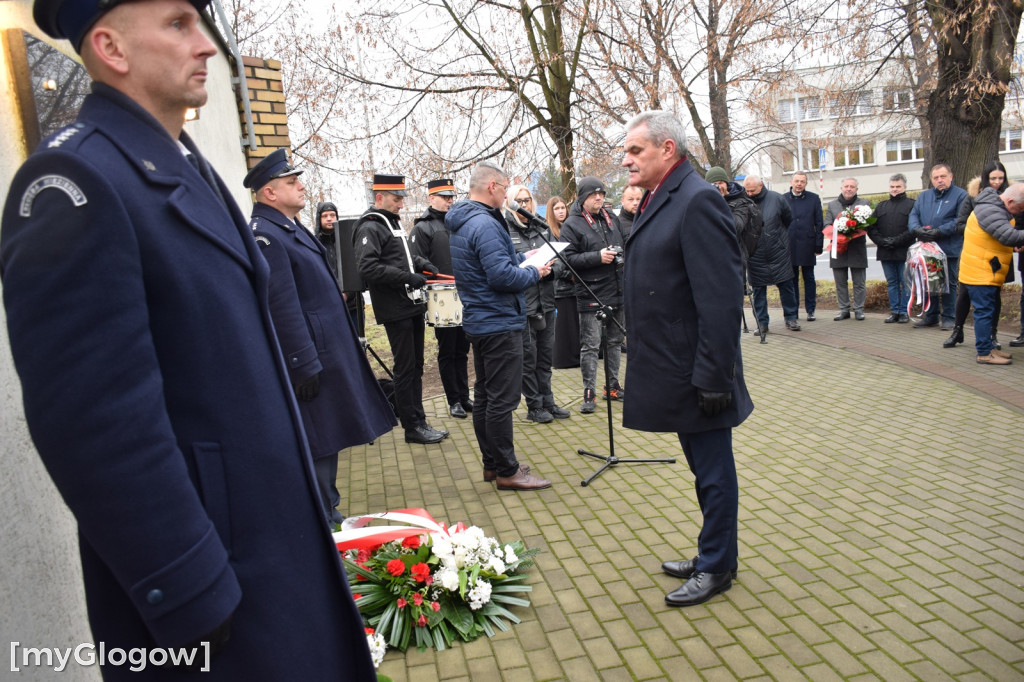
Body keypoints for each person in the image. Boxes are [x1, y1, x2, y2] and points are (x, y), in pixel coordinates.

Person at [0, 0, 377, 678]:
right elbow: (94, 423)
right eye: (178, 23)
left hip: (268, 540)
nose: (206, 44)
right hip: (211, 586)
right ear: (112, 48)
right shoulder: (76, 182)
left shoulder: (179, 164)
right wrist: (192, 593)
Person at [620, 110, 753, 607]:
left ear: (667, 149)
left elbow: (720, 298)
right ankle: (712, 551)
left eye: (636, 150)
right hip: (677, 366)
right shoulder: (663, 195)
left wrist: (715, 376)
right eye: (627, 151)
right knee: (704, 471)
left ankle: (717, 565)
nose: (627, 159)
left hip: (699, 372)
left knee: (715, 472)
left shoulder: (696, 199)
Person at [245, 149, 395, 526]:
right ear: (270, 193)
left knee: (327, 435)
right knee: (318, 439)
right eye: (291, 182)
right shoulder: (267, 235)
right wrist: (302, 362)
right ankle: (322, 519)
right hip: (310, 357)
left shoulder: (288, 227)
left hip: (322, 350)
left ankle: (328, 510)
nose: (301, 185)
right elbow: (282, 305)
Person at [446, 161, 554, 490]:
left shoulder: (465, 220)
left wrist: (524, 258)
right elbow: (501, 277)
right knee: (503, 401)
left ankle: (492, 464)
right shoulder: (486, 223)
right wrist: (535, 272)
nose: (509, 195)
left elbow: (490, 266)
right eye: (506, 188)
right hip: (499, 322)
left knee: (486, 396)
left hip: (482, 321)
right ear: (492, 186)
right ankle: (508, 471)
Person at [354, 174, 446, 445]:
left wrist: (421, 263)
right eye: (396, 199)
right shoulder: (370, 226)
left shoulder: (390, 223)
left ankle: (419, 420)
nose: (401, 205)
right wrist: (408, 277)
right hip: (395, 308)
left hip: (410, 304)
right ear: (379, 197)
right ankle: (412, 426)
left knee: (416, 365)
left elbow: (401, 257)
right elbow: (367, 267)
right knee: (406, 368)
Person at [503, 185, 571, 423]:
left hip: (546, 301)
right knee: (528, 358)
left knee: (545, 356)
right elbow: (505, 268)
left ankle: (548, 402)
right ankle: (534, 406)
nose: (525, 205)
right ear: (510, 204)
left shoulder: (542, 228)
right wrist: (531, 270)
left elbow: (562, 262)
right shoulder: (503, 229)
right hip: (523, 304)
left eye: (528, 200)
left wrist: (550, 272)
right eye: (519, 201)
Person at [561, 176, 627, 413]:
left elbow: (625, 245)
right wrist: (598, 257)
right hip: (590, 291)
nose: (599, 198)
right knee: (590, 345)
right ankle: (588, 392)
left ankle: (612, 386)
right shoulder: (572, 224)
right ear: (582, 198)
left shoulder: (612, 218)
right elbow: (566, 260)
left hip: (617, 289)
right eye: (593, 194)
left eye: (602, 194)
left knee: (615, 341)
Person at [410, 178, 473, 419]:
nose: (449, 201)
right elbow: (414, 259)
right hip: (442, 297)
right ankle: (453, 400)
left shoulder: (457, 224)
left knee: (463, 349)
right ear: (431, 198)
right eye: (444, 197)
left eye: (451, 197)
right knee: (448, 350)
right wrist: (427, 266)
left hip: (463, 293)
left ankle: (465, 396)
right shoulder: (422, 227)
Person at [944, 161, 1012, 348]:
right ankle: (957, 331)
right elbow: (959, 225)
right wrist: (983, 228)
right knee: (964, 294)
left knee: (994, 296)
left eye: (1000, 178)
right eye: (993, 178)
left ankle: (992, 334)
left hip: (998, 254)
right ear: (985, 178)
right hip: (974, 253)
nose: (997, 182)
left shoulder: (1010, 197)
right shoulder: (973, 196)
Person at [958, 182, 1024, 364]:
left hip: (986, 270)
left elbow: (998, 238)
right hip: (981, 272)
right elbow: (1008, 236)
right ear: (1010, 201)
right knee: (984, 312)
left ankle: (990, 348)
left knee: (989, 310)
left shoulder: (993, 207)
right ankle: (984, 353)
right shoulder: (990, 211)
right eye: (1019, 208)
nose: (1018, 212)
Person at [908, 163, 968, 329]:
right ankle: (931, 315)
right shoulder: (924, 196)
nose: (939, 180)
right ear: (931, 179)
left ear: (951, 176)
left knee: (949, 283)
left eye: (943, 176)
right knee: (929, 282)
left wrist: (939, 232)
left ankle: (949, 317)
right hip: (927, 248)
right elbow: (914, 215)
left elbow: (960, 220)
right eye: (936, 177)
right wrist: (917, 230)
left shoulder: (961, 195)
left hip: (948, 247)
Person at [744, 175, 801, 332]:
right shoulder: (744, 202)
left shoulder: (776, 199)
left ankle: (791, 318)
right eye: (747, 190)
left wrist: (780, 239)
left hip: (778, 251)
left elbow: (788, 219)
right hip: (755, 254)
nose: (749, 193)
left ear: (761, 186)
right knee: (758, 291)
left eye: (752, 190)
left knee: (786, 286)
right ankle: (762, 323)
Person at [867, 174, 916, 323]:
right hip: (885, 251)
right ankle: (895, 311)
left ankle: (904, 312)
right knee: (892, 282)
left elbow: (913, 228)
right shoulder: (881, 206)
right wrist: (881, 241)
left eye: (898, 186)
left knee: (905, 282)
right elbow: (870, 227)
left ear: (905, 187)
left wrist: (896, 241)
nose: (895, 189)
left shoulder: (912, 205)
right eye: (892, 187)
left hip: (904, 251)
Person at [315, 200, 366, 335]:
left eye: (332, 215)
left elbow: (358, 267)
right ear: (319, 219)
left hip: (353, 304)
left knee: (358, 342)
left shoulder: (349, 239)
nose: (329, 218)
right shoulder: (314, 245)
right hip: (328, 305)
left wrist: (347, 294)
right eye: (325, 216)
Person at [826, 177, 872, 321]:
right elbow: (826, 224)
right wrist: (838, 229)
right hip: (838, 248)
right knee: (840, 282)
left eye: (852, 186)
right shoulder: (832, 205)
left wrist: (854, 229)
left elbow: (868, 224)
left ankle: (859, 309)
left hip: (857, 248)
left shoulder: (864, 204)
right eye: (846, 186)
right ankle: (844, 309)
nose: (849, 189)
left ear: (856, 189)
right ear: (841, 188)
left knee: (859, 282)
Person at [783, 172, 824, 320]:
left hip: (808, 243)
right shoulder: (783, 199)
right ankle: (793, 311)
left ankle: (810, 310)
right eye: (797, 181)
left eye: (802, 181)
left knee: (809, 278)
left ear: (806, 183)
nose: (799, 184)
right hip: (789, 244)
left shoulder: (814, 199)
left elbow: (819, 223)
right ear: (791, 182)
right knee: (791, 279)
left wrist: (819, 244)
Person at [705, 166, 762, 274]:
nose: (718, 186)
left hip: (733, 260)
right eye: (714, 183)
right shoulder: (703, 202)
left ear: (727, 183)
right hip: (710, 260)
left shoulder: (741, 202)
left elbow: (735, 227)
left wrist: (719, 202)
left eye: (721, 182)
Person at [548, 195, 581, 369]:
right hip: (560, 286)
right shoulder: (550, 232)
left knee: (574, 325)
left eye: (562, 208)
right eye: (557, 209)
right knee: (563, 327)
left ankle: (574, 357)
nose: (561, 211)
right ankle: (563, 360)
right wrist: (570, 275)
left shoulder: (569, 229)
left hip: (574, 286)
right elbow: (555, 260)